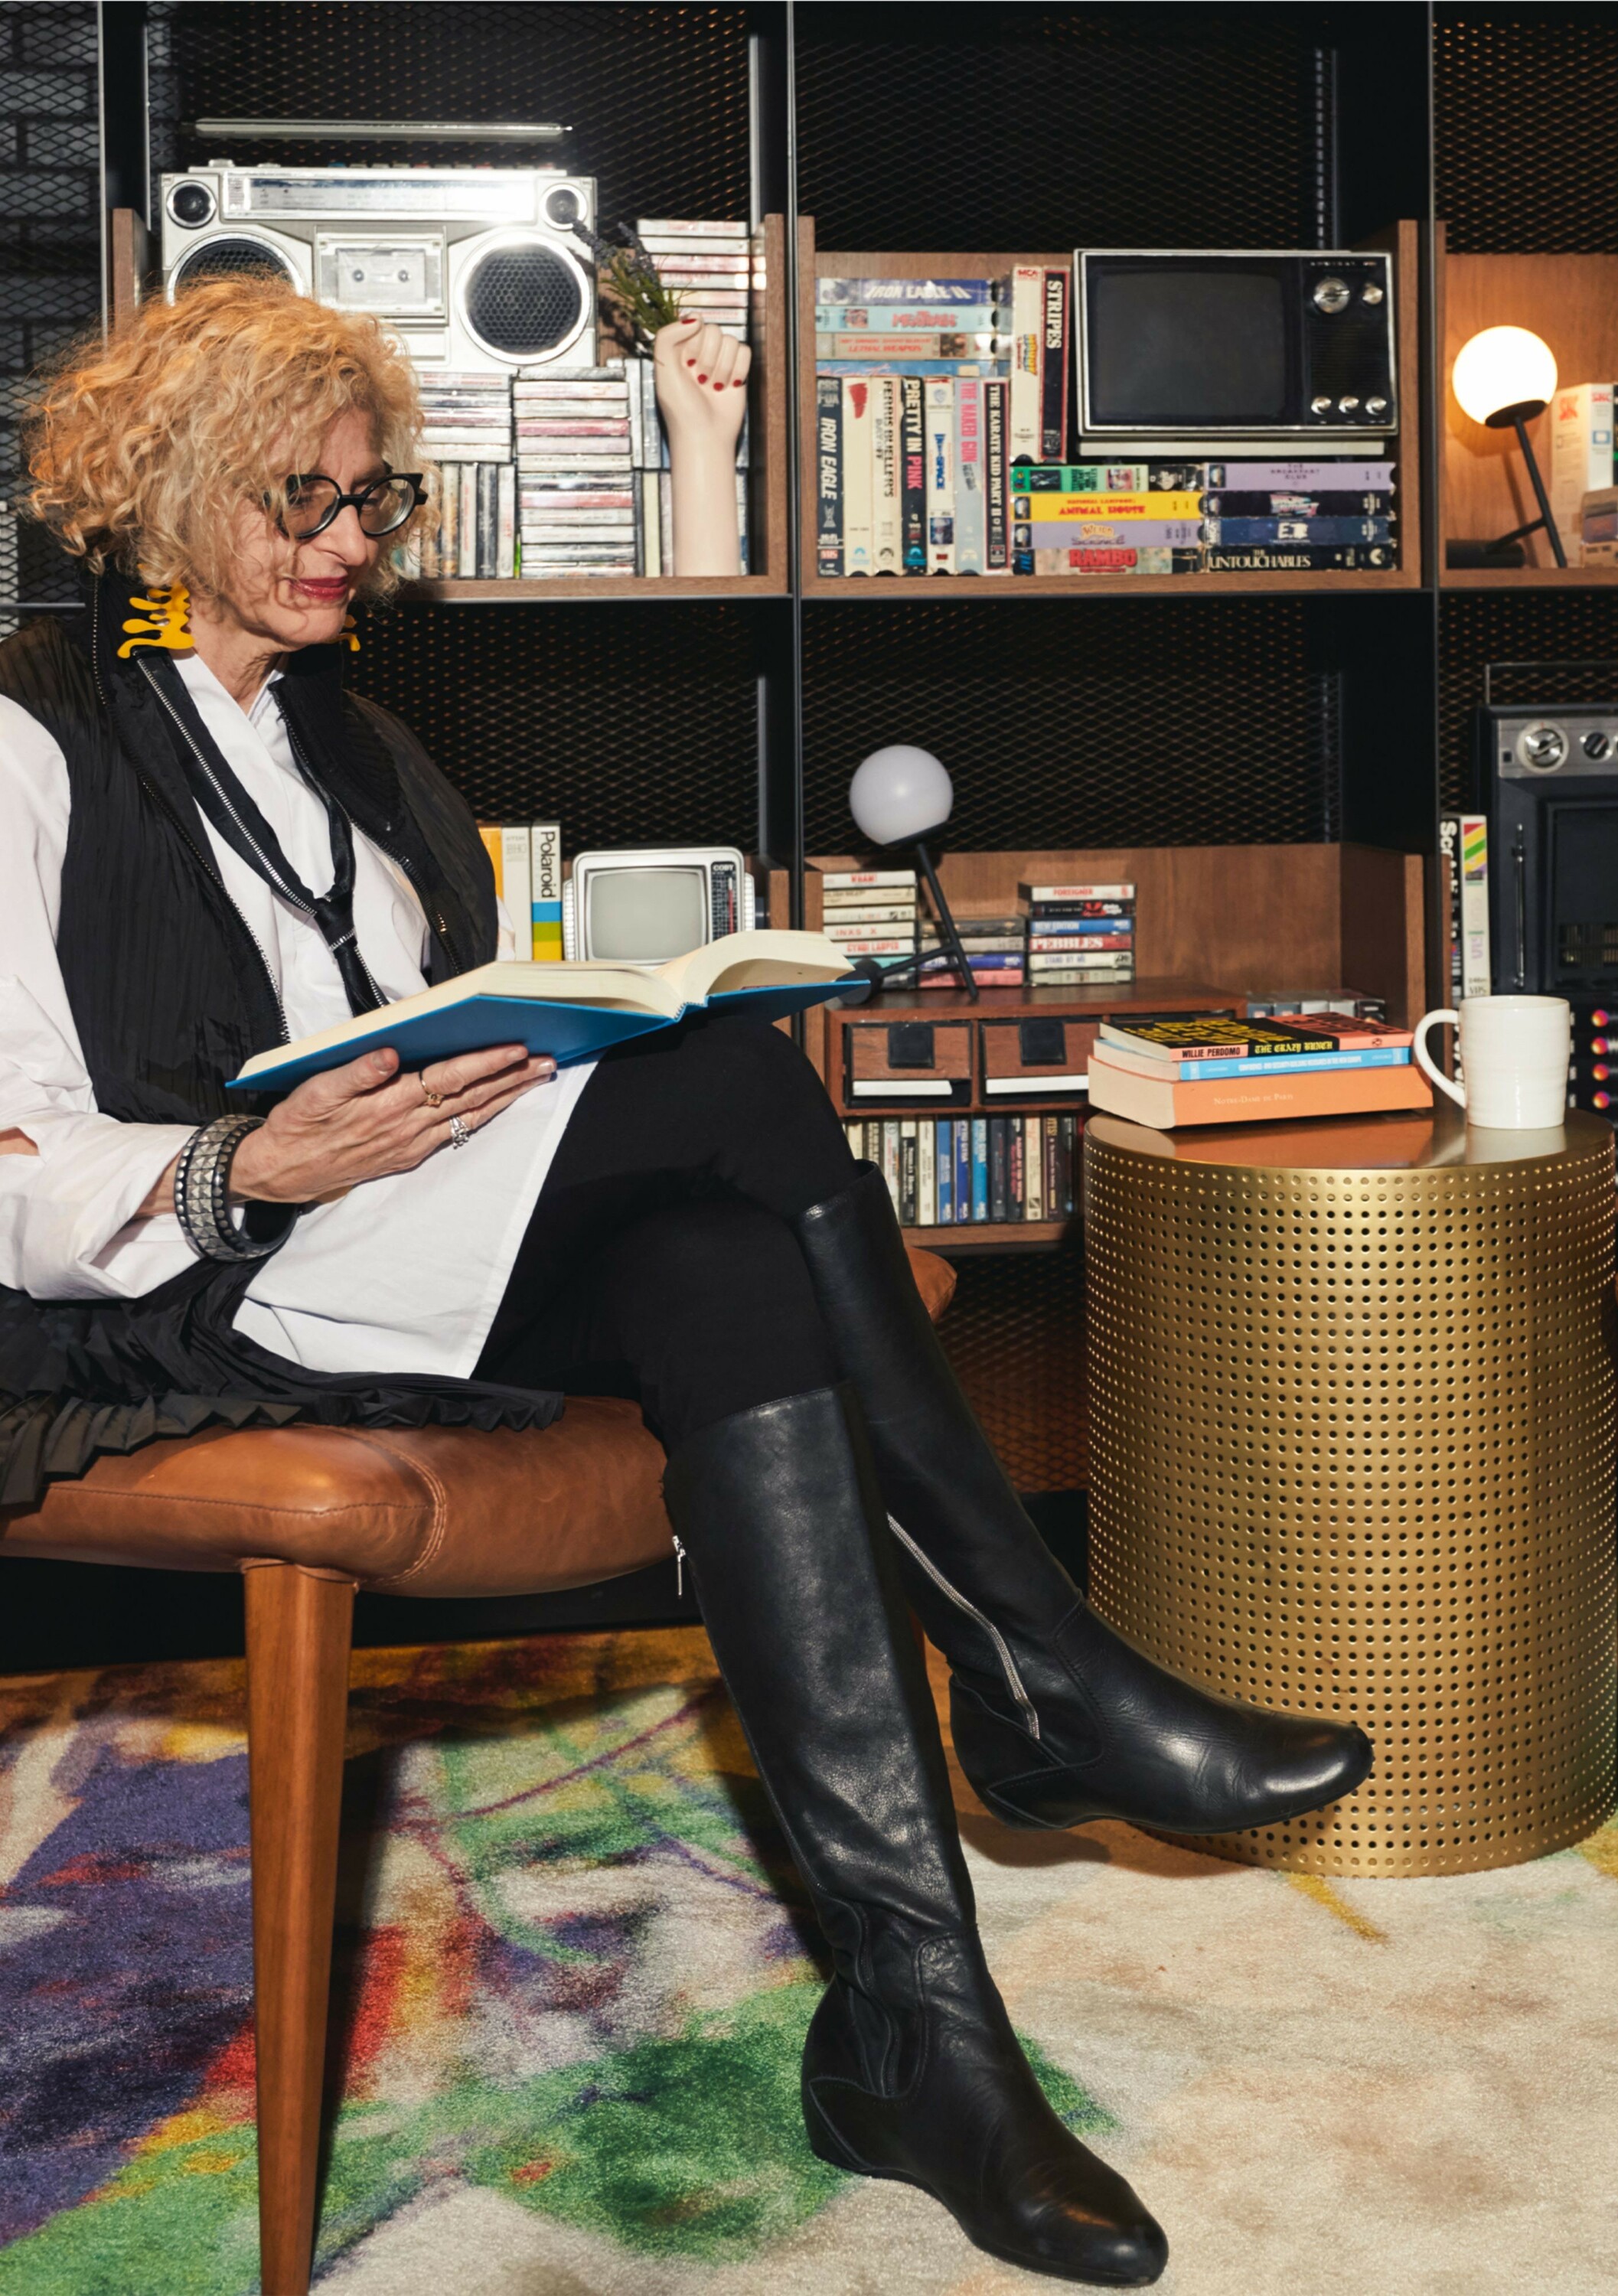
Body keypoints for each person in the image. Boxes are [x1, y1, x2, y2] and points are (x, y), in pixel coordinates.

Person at [0, 279, 1372, 2287]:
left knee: (729, 1255)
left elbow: (427, 1047)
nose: (352, 543)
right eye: (304, 499)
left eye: (371, 503)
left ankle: (929, 2042)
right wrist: (240, 1160)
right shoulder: (27, 734)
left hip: (401, 1248)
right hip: (189, 1292)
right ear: (167, 488)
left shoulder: (366, 754)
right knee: (732, 1077)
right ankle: (1048, 1673)